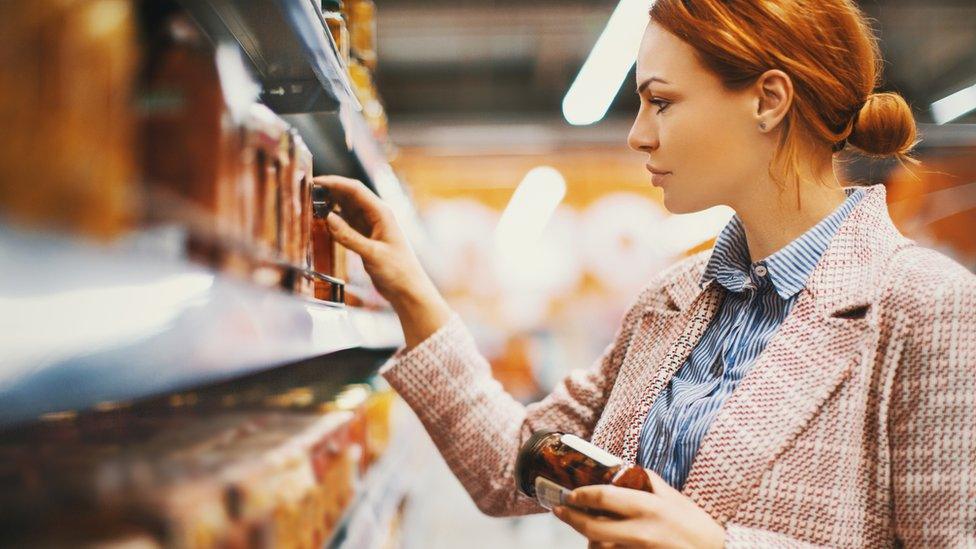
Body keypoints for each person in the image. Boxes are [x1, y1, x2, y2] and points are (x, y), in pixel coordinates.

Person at [314, 0, 976, 546]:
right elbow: (510, 462)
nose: (636, 134)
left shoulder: (926, 307)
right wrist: (408, 286)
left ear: (768, 100)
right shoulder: (672, 302)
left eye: (660, 101)